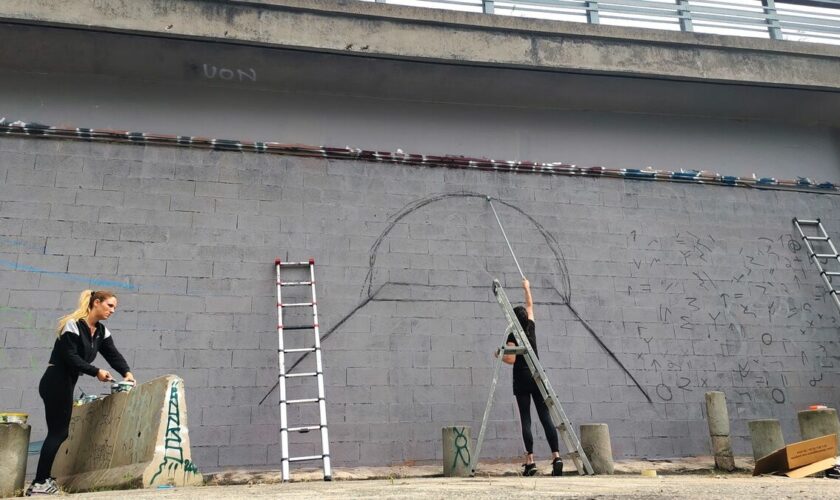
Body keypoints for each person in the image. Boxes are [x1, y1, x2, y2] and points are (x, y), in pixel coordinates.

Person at [27, 290, 134, 496]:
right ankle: (39, 482)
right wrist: (96, 372)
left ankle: (43, 478)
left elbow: (113, 355)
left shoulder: (101, 332)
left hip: (66, 383)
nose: (113, 310)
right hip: (55, 381)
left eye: (114, 307)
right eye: (110, 306)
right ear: (96, 303)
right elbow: (70, 357)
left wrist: (126, 372)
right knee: (58, 432)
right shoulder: (73, 325)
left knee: (58, 432)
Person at [499, 278, 563, 477]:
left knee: (526, 420)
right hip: (537, 378)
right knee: (545, 418)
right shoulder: (531, 327)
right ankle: (556, 457)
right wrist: (526, 287)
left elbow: (510, 359)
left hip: (521, 380)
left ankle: (530, 462)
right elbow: (529, 304)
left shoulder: (512, 334)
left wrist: (498, 354)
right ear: (526, 317)